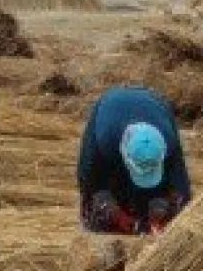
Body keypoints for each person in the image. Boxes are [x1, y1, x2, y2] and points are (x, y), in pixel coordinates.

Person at [75, 85, 191, 236]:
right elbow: (90, 182)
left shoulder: (168, 139)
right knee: (100, 212)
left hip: (154, 105)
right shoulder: (105, 140)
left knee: (168, 209)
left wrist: (161, 211)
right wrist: (114, 212)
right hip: (110, 106)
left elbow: (180, 184)